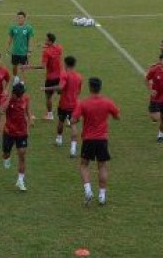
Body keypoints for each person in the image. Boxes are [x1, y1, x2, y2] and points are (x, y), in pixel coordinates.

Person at [73, 77, 120, 206]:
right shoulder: (107, 102)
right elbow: (117, 115)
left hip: (88, 139)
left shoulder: (83, 103)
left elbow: (73, 119)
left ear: (90, 87)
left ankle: (88, 190)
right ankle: (102, 196)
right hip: (102, 139)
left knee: (84, 165)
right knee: (102, 166)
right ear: (100, 87)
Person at [0, 82, 34, 191]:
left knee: (22, 155)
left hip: (22, 133)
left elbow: (28, 111)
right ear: (14, 93)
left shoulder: (25, 98)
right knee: (6, 153)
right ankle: (7, 157)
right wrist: (9, 98)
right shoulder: (7, 99)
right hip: (9, 132)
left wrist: (30, 121)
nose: (21, 97)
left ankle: (20, 181)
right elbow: (1, 110)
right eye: (19, 95)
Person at [54, 55, 82, 157]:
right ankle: (73, 149)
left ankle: (59, 139)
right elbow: (78, 91)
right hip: (74, 105)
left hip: (64, 104)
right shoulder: (79, 76)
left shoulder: (64, 75)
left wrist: (57, 90)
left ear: (66, 64)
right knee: (73, 125)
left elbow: (60, 88)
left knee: (61, 121)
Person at [41, 33, 64, 120]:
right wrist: (48, 46)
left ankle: (50, 115)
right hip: (61, 76)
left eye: (46, 40)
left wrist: (29, 67)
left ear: (50, 41)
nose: (45, 41)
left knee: (48, 97)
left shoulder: (46, 52)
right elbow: (55, 49)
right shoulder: (59, 47)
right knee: (63, 95)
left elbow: (43, 66)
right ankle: (68, 117)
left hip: (51, 78)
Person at [7, 11, 34, 81]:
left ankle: (22, 81)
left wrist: (29, 51)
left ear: (24, 18)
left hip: (24, 52)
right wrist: (8, 47)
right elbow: (10, 38)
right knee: (14, 66)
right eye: (18, 18)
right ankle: (15, 77)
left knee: (23, 67)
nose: (20, 19)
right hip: (15, 51)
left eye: (21, 18)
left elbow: (30, 40)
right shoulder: (13, 27)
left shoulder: (29, 28)